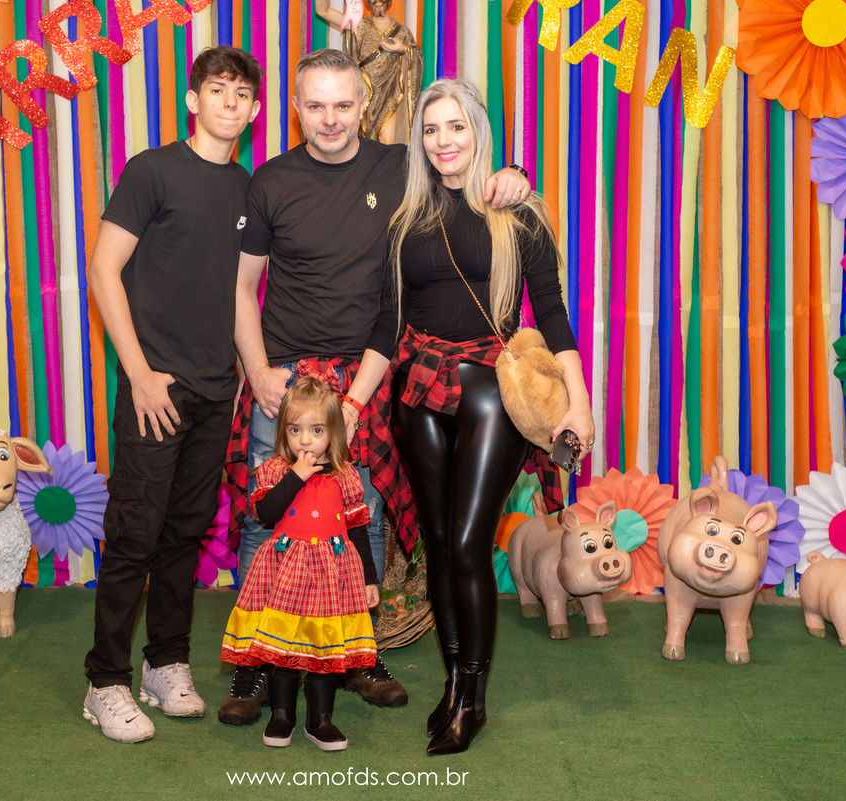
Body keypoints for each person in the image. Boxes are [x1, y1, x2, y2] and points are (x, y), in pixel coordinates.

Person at [219, 49, 532, 726]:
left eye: (343, 104)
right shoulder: (270, 180)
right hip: (286, 379)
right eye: (316, 105)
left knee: (362, 516)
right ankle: (253, 666)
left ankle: (358, 655)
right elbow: (242, 287)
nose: (330, 119)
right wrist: (258, 370)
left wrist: (516, 175)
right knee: (265, 519)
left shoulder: (402, 167)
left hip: (368, 372)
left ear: (366, 105)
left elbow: (468, 174)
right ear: (295, 109)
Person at [344, 78, 596, 755]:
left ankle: (474, 698)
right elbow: (386, 323)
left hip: (493, 390)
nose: (443, 140)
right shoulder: (406, 222)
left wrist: (579, 402)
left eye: (456, 126)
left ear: (478, 131)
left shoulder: (518, 213)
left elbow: (553, 311)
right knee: (437, 541)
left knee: (466, 543)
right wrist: (353, 403)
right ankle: (454, 681)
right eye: (431, 129)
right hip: (419, 388)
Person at [80, 46, 263, 744]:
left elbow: (240, 293)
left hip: (217, 391)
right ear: (193, 99)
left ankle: (165, 664)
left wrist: (247, 375)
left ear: (254, 109)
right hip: (155, 387)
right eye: (218, 90)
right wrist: (138, 372)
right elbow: (104, 269)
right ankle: (105, 681)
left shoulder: (246, 188)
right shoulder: (151, 170)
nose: (229, 103)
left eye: (241, 94)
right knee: (135, 532)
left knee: (186, 532)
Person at [221, 375, 380, 751]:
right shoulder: (277, 471)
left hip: (331, 576)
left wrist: (369, 579)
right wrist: (296, 476)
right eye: (295, 430)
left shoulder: (345, 477)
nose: (305, 440)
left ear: (333, 433)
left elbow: (358, 530)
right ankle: (282, 717)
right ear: (284, 431)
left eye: (316, 430)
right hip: (286, 574)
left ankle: (320, 721)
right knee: (284, 654)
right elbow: (266, 512)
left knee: (325, 654)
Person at [314, 0, 423, 145]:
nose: (377, 2)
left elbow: (417, 58)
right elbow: (323, 11)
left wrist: (403, 49)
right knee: (364, 142)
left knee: (386, 142)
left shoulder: (402, 32)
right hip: (365, 95)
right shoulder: (360, 26)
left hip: (391, 95)